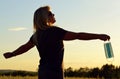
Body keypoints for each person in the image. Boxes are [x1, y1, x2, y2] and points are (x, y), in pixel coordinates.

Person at [3, 6, 110, 79]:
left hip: (43, 72)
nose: (53, 14)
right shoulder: (55, 31)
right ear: (45, 18)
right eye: (50, 13)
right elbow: (78, 35)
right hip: (55, 73)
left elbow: (25, 47)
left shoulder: (36, 35)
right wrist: (99, 36)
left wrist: (12, 54)